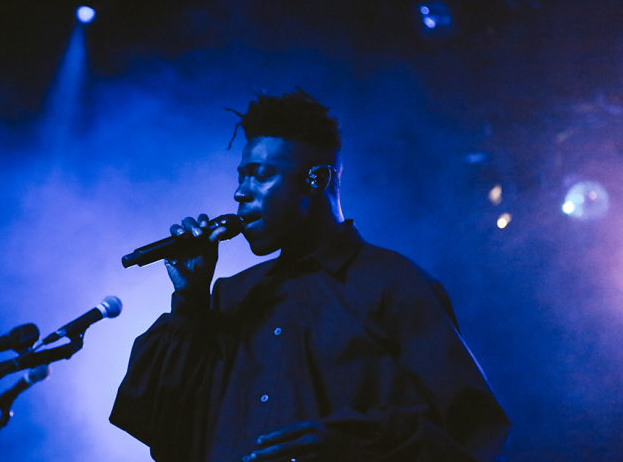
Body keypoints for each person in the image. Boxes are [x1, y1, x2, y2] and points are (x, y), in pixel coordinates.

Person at [109, 90, 511, 462]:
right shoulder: (232, 295)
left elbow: (471, 431)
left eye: (260, 175)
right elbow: (165, 428)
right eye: (240, 177)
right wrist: (191, 301)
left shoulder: (393, 283)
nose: (240, 194)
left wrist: (360, 452)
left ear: (317, 179)